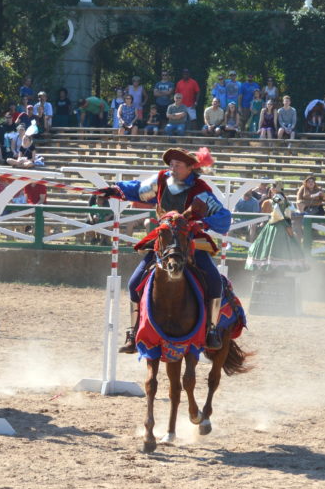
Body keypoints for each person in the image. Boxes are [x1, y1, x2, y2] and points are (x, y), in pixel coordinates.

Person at [96, 147, 231, 352]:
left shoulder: (201, 191)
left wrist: (202, 224)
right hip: (165, 239)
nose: (172, 168)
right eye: (171, 165)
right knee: (134, 283)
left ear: (190, 168)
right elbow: (138, 190)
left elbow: (223, 216)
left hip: (190, 240)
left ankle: (211, 330)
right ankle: (133, 333)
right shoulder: (161, 180)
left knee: (214, 280)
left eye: (177, 165)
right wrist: (115, 189)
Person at [245, 181, 308, 272]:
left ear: (275, 189)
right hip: (284, 223)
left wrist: (275, 218)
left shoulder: (276, 198)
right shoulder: (285, 199)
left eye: (272, 187)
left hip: (276, 224)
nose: (271, 189)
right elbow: (289, 210)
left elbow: (278, 211)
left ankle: (271, 268)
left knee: (267, 247)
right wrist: (287, 222)